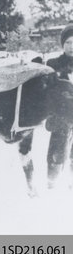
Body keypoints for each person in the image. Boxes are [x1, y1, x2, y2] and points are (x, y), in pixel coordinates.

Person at [45, 24, 73, 188]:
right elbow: (50, 91)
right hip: (61, 116)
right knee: (57, 151)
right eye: (68, 42)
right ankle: (52, 184)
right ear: (63, 44)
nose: (72, 46)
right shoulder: (54, 63)